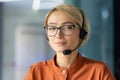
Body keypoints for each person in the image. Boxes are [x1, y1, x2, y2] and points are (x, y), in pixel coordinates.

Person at [24, 4, 115, 80]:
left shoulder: (99, 71)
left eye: (67, 27)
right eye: (52, 28)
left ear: (82, 32)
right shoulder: (36, 71)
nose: (58, 35)